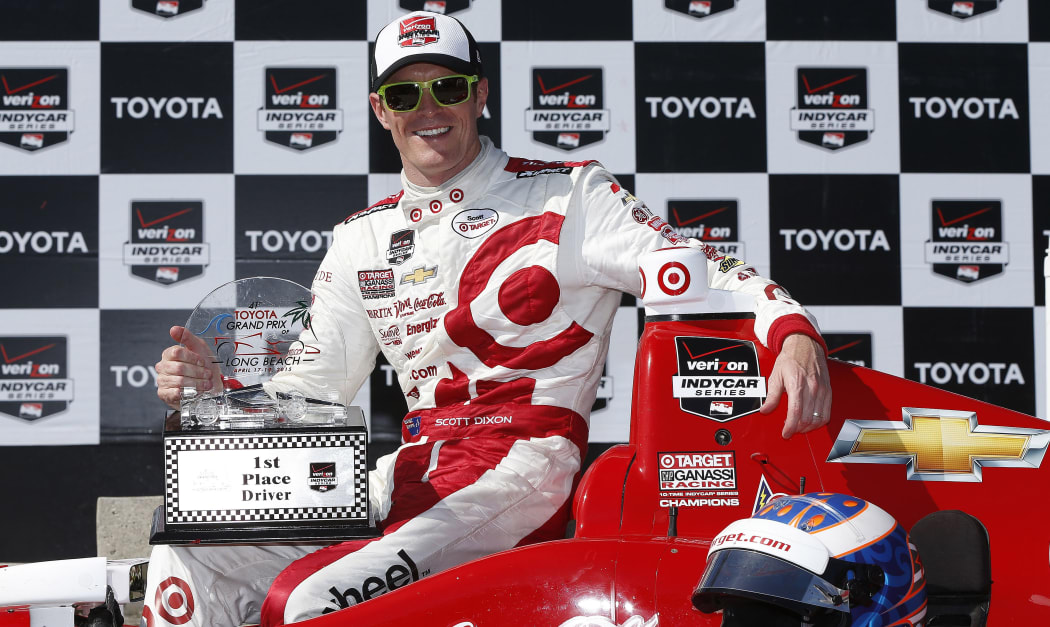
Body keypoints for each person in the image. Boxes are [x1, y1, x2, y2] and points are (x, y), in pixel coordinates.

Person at [147, 11, 832, 627]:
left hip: (522, 465)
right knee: (189, 558)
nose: (427, 109)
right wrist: (217, 400)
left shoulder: (569, 195)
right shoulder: (361, 237)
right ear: (380, 111)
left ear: (479, 93)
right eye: (403, 94)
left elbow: (701, 268)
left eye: (446, 88)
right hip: (404, 470)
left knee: (314, 601)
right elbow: (309, 392)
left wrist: (791, 328)